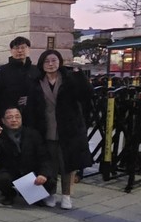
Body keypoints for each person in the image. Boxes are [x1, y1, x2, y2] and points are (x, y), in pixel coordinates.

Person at [26, 49, 94, 209]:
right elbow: (31, 107)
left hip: (68, 128)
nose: (50, 64)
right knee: (50, 163)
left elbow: (87, 94)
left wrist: (79, 74)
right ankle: (50, 193)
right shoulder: (36, 82)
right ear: (42, 64)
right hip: (46, 127)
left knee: (67, 164)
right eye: (47, 61)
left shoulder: (70, 78)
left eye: (53, 61)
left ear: (59, 62)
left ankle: (66, 195)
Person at [0, 107, 56, 205]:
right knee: (1, 179)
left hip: (31, 170)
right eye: (10, 117)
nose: (14, 120)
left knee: (50, 181)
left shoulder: (33, 134)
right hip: (10, 170)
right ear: (3, 120)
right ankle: (10, 194)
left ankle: (36, 195)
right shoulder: (0, 135)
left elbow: (44, 157)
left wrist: (43, 174)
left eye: (17, 117)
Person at [0, 36, 39, 121]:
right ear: (11, 51)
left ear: (29, 49)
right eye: (16, 48)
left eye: (23, 47)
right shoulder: (1, 70)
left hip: (32, 114)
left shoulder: (36, 70)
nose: (20, 51)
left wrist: (30, 98)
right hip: (8, 115)